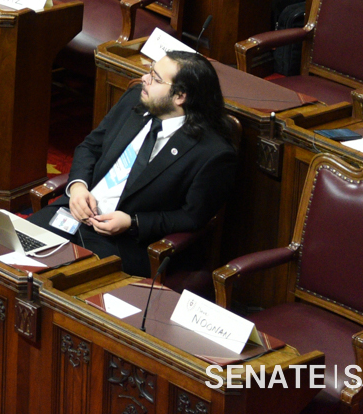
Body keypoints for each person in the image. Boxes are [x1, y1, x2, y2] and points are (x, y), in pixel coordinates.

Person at [30, 50, 235, 275]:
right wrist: (78, 187)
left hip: (122, 242)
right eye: (150, 72)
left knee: (57, 281)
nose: (144, 79)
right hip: (73, 213)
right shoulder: (134, 99)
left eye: (156, 78)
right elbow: (90, 146)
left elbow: (191, 217)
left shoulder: (212, 153)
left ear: (180, 96)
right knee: (10, 253)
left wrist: (133, 222)